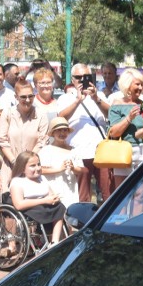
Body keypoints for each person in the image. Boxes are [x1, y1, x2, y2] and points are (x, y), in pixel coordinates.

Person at [57, 64, 112, 203]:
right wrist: (77, 100)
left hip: (101, 151)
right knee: (83, 195)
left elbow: (111, 114)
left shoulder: (99, 95)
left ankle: (108, 222)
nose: (82, 80)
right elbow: (61, 118)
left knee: (108, 193)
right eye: (78, 77)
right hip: (78, 152)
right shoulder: (65, 98)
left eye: (85, 77)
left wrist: (96, 98)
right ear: (72, 79)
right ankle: (83, 223)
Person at [0, 80, 49, 193]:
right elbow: (3, 141)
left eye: (30, 96)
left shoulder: (41, 115)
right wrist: (15, 162)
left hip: (32, 168)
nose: (27, 100)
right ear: (16, 97)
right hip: (10, 166)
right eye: (23, 97)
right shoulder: (7, 113)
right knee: (8, 202)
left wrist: (27, 163)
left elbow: (42, 142)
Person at [107, 68, 143, 188]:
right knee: (122, 195)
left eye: (142, 85)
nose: (140, 88)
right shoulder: (117, 105)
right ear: (127, 85)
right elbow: (113, 132)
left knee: (139, 195)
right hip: (123, 152)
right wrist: (129, 118)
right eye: (137, 84)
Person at [9, 151, 66, 245]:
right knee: (45, 210)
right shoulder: (17, 181)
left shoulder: (42, 178)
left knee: (60, 207)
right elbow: (19, 205)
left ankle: (54, 241)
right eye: (33, 165)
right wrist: (44, 200)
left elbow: (51, 194)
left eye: (38, 164)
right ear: (23, 168)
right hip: (28, 208)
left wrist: (54, 198)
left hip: (45, 205)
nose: (38, 168)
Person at [39, 117, 85, 208]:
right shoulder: (46, 150)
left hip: (70, 188)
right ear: (53, 133)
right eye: (59, 130)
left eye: (65, 130)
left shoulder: (73, 150)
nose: (62, 133)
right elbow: (40, 170)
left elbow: (81, 170)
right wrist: (59, 169)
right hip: (53, 188)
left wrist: (73, 168)